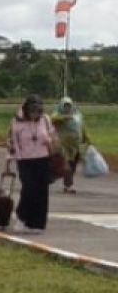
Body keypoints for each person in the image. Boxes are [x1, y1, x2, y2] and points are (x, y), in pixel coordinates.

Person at [7, 94, 58, 234]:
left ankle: (37, 223)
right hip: (25, 161)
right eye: (32, 111)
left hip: (43, 159)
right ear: (26, 110)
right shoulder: (16, 122)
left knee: (42, 191)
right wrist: (10, 159)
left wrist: (50, 142)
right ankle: (22, 217)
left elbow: (52, 136)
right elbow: (12, 141)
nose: (35, 114)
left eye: (38, 111)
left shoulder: (45, 120)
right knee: (29, 189)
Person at [51, 97, 90, 194]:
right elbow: (52, 118)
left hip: (75, 145)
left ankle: (67, 184)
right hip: (64, 145)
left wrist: (87, 138)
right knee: (67, 165)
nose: (67, 108)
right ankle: (69, 185)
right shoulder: (58, 114)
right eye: (65, 106)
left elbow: (81, 127)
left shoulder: (77, 115)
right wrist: (64, 117)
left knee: (73, 165)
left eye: (69, 106)